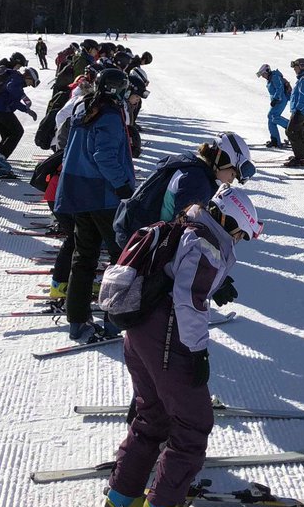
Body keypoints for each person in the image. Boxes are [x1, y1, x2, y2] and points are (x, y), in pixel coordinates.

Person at [101, 184, 262, 507]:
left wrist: (214, 285)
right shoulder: (206, 243)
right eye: (239, 233)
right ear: (229, 221)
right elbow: (189, 304)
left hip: (138, 334)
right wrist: (198, 352)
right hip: (167, 340)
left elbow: (174, 274)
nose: (237, 240)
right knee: (193, 423)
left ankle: (120, 498)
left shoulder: (184, 225)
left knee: (152, 416)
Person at [55, 67, 136, 343]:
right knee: (120, 256)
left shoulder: (84, 107)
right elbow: (104, 156)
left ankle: (77, 320)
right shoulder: (110, 115)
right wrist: (123, 185)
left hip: (78, 191)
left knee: (84, 255)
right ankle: (114, 321)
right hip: (101, 194)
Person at [114, 133, 255, 247]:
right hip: (142, 243)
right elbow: (182, 230)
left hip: (137, 232)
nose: (230, 180)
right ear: (222, 159)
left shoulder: (194, 168)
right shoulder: (197, 183)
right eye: (232, 174)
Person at [0, 65, 39, 174]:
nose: (29, 85)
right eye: (31, 82)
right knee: (17, 132)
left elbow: (15, 99)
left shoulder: (16, 79)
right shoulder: (17, 79)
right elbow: (11, 88)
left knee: (7, 135)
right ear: (28, 77)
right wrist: (25, 104)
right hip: (1, 109)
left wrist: (27, 108)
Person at [284, 57, 304, 167]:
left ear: (301, 66)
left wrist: (297, 110)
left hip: (300, 111)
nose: (294, 69)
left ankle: (300, 158)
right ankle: (302, 157)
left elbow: (303, 96)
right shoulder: (303, 78)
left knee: (290, 132)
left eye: (295, 67)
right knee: (299, 133)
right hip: (300, 110)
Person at [255, 63, 289, 147]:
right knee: (271, 118)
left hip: (281, 100)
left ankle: (290, 126)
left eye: (263, 74)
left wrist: (276, 98)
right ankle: (275, 140)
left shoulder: (275, 77)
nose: (263, 76)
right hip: (276, 101)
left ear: (267, 71)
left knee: (272, 115)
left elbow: (279, 88)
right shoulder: (271, 78)